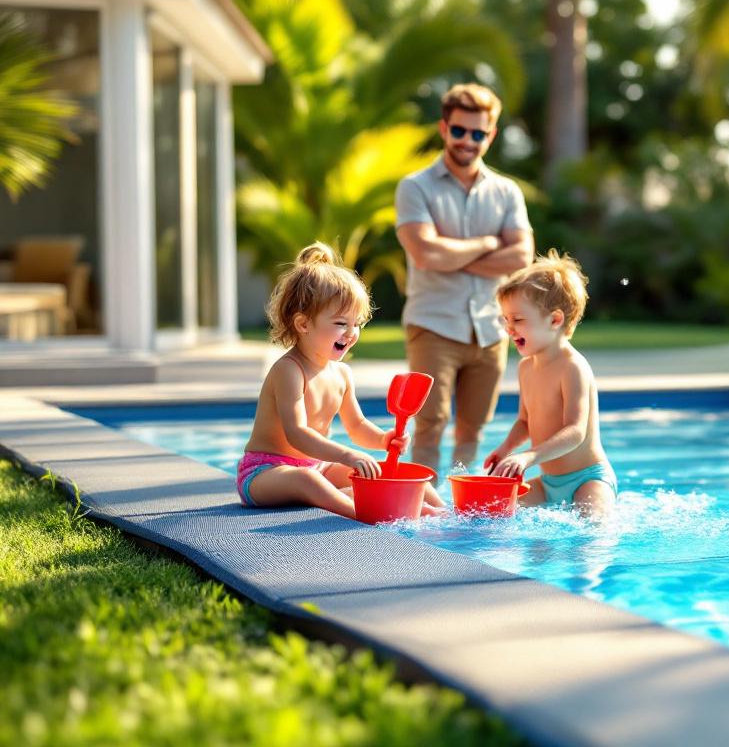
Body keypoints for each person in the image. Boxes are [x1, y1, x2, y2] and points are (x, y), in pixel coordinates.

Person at [236, 243, 446, 519]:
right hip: (267, 471)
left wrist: (384, 438)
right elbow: (297, 433)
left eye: (356, 323)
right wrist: (348, 455)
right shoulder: (289, 370)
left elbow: (357, 426)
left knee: (382, 471)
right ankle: (369, 511)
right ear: (303, 324)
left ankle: (447, 513)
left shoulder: (342, 374)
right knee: (308, 482)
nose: (351, 332)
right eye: (340, 323)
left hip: (317, 466)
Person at [395, 82, 533, 476]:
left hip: (491, 329)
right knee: (429, 423)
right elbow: (424, 253)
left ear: (490, 135)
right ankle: (422, 502)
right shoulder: (414, 187)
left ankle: (456, 502)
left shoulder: (507, 192)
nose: (467, 141)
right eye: (459, 131)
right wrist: (490, 245)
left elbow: (521, 256)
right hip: (433, 324)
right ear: (443, 129)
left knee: (474, 426)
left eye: (478, 133)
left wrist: (450, 254)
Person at [484, 251, 617, 519]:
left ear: (555, 320)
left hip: (587, 479)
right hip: (548, 484)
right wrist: (506, 450)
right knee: (493, 511)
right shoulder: (526, 368)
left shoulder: (572, 367)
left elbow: (575, 431)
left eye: (518, 320)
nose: (509, 328)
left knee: (591, 533)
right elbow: (524, 422)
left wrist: (528, 456)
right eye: (506, 319)